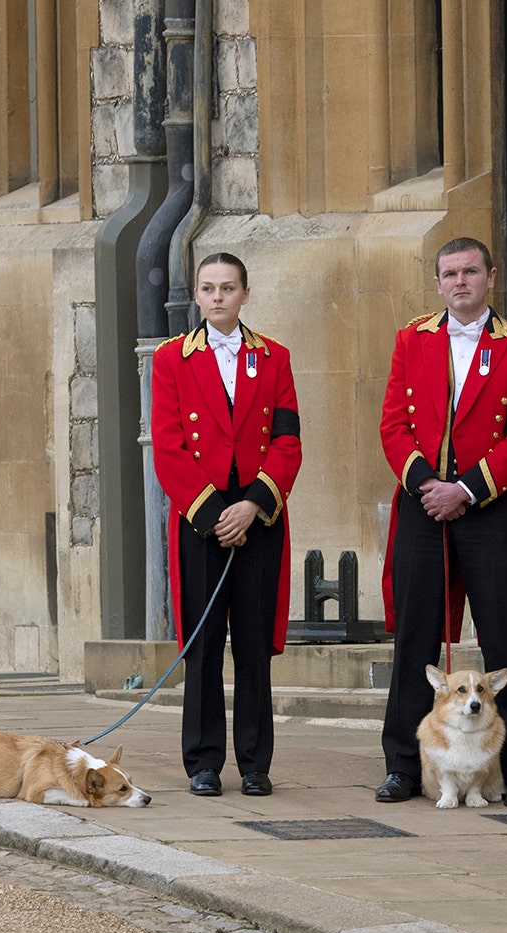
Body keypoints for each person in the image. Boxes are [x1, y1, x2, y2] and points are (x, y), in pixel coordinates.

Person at [377, 237, 507, 808]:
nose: (460, 282)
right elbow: (392, 427)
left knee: (504, 645)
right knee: (414, 640)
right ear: (438, 281)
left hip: (490, 508)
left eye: (470, 271)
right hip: (423, 504)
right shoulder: (411, 339)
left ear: (490, 277)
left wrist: (466, 490)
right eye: (449, 273)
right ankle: (402, 766)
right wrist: (430, 486)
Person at [151, 252, 302, 797]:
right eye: (209, 288)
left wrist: (253, 504)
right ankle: (204, 762)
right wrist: (217, 516)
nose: (218, 297)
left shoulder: (276, 358)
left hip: (258, 516)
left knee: (254, 645)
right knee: (204, 644)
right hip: (202, 520)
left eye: (228, 288)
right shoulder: (171, 359)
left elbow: (287, 441)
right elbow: (168, 448)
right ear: (196, 294)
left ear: (245, 293)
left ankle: (256, 764)